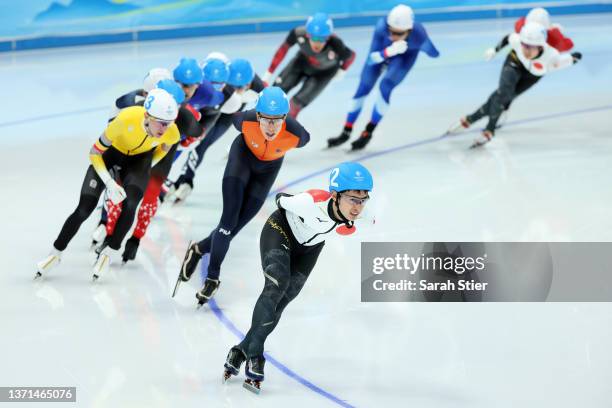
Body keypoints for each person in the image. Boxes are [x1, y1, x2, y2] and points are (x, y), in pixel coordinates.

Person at [221, 162, 373, 393]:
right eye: (353, 199)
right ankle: (255, 355)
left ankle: (239, 350)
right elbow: (280, 199)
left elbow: (363, 221)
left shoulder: (361, 214)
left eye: (363, 200)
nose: (358, 207)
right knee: (276, 286)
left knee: (284, 299)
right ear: (334, 195)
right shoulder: (310, 202)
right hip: (280, 230)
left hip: (310, 247)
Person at [173, 87, 310, 306]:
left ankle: (198, 249)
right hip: (241, 161)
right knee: (227, 223)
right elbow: (228, 115)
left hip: (266, 173)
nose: (272, 127)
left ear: (286, 117)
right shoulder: (245, 120)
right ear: (257, 115)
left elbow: (305, 138)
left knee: (232, 230)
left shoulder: (296, 134)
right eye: (266, 120)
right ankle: (212, 278)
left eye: (277, 120)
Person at [36, 88, 180, 280]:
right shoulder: (125, 119)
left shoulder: (172, 132)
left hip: (138, 164)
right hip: (108, 158)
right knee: (84, 209)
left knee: (130, 206)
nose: (164, 129)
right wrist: (109, 183)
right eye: (161, 123)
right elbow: (94, 152)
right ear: (147, 116)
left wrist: (147, 167)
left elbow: (163, 149)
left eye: (168, 123)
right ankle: (55, 254)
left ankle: (108, 253)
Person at [447, 22, 582, 147]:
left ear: (541, 46)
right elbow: (508, 38)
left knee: (504, 97)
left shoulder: (552, 57)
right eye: (524, 45)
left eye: (530, 47)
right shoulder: (518, 42)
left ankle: (470, 119)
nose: (526, 50)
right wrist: (494, 50)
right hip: (514, 63)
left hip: (532, 76)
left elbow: (568, 60)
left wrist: (574, 57)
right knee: (504, 93)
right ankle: (489, 130)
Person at [328, 4, 439, 150]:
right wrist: (388, 52)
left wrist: (425, 48)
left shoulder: (419, 35)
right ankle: (346, 131)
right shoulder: (382, 27)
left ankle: (368, 132)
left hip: (403, 59)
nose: (392, 36)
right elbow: (370, 60)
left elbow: (434, 53)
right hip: (382, 53)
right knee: (363, 88)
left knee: (385, 87)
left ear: (409, 31)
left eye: (398, 34)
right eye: (390, 31)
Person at [168, 58, 265, 201]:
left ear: (249, 84)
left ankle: (186, 179)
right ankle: (173, 176)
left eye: (241, 88)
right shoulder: (216, 82)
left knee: (203, 142)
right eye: (233, 87)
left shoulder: (259, 88)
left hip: (227, 112)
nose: (237, 91)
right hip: (211, 107)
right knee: (188, 138)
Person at [261, 12, 355, 118]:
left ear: (328, 37)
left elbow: (351, 56)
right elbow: (282, 50)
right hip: (302, 62)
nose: (317, 43)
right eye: (314, 38)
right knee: (274, 94)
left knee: (294, 105)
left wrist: (342, 70)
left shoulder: (336, 44)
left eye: (321, 39)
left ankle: (285, 132)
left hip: (323, 73)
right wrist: (269, 72)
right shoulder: (298, 33)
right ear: (307, 35)